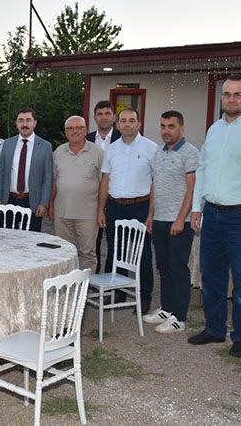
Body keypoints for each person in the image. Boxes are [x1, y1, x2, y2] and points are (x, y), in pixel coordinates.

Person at [188, 75, 241, 358]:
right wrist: (197, 207)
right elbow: (203, 169)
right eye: (227, 94)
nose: (231, 99)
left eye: (237, 94)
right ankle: (214, 329)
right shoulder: (214, 129)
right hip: (211, 214)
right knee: (211, 276)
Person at [97, 108, 158, 313]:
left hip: (140, 206)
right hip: (115, 206)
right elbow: (105, 180)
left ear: (139, 124)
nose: (127, 124)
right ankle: (118, 292)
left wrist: (151, 213)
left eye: (132, 120)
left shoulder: (151, 148)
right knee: (115, 252)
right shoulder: (111, 149)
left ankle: (145, 297)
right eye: (123, 121)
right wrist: (101, 210)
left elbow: (155, 183)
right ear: (118, 124)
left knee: (143, 254)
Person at [144, 111, 199, 333]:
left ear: (181, 128)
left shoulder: (190, 153)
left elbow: (192, 189)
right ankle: (166, 309)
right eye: (163, 126)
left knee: (178, 269)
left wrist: (180, 219)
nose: (166, 131)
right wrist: (151, 214)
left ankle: (179, 318)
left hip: (179, 222)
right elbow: (155, 185)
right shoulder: (158, 152)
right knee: (164, 267)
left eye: (171, 126)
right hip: (159, 219)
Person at [49, 115, 103, 271]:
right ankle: (67, 283)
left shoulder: (97, 152)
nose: (75, 131)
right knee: (63, 252)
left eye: (79, 127)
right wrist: (51, 204)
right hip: (62, 212)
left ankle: (86, 283)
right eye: (70, 128)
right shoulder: (59, 152)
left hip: (88, 214)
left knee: (88, 252)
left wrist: (101, 210)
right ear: (66, 132)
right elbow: (55, 180)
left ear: (85, 130)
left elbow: (104, 183)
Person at [0, 107, 53, 232]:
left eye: (28, 120)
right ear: (16, 123)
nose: (24, 124)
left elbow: (48, 178)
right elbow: (0, 173)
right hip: (8, 200)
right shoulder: (7, 144)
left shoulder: (45, 146)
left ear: (35, 123)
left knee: (31, 239)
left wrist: (43, 203)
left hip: (32, 202)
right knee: (6, 238)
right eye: (21, 120)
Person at [86, 100, 120, 273]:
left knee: (115, 243)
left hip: (115, 196)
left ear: (114, 117)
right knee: (93, 241)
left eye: (107, 113)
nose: (104, 117)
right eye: (100, 114)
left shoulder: (123, 138)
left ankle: (111, 278)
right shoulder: (87, 139)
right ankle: (94, 278)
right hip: (92, 197)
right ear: (94, 118)